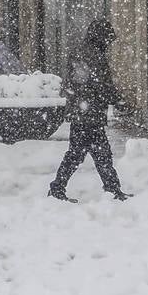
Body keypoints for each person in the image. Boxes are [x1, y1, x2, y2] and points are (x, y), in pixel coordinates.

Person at [48, 19, 130, 202]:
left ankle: (111, 189)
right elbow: (101, 84)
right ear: (101, 38)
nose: (109, 44)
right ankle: (59, 188)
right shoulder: (94, 56)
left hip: (82, 111)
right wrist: (118, 100)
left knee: (89, 153)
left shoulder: (80, 52)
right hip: (89, 112)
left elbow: (76, 82)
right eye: (108, 40)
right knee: (91, 153)